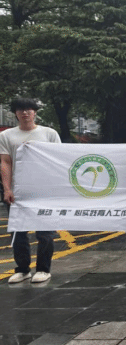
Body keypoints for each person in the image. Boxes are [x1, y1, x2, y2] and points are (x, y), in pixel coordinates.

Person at [0, 98, 61, 284]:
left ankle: (43, 269)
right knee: (18, 233)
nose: (25, 113)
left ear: (35, 112)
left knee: (45, 233)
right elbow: (5, 162)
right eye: (21, 110)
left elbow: (59, 160)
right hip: (18, 192)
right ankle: (22, 269)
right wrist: (7, 189)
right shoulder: (6, 135)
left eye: (29, 109)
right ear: (15, 113)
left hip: (44, 191)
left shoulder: (49, 133)